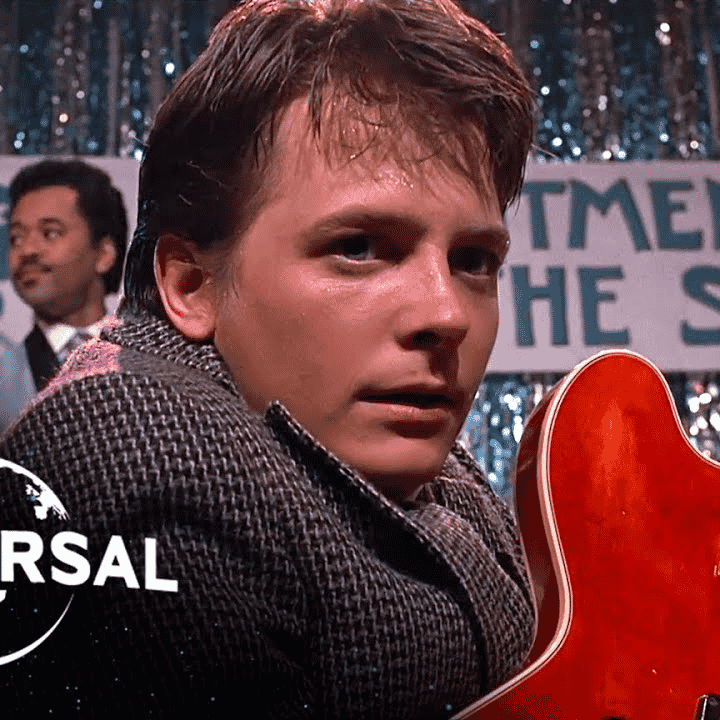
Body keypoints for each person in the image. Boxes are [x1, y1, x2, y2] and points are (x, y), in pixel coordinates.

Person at [0, 0, 537, 716]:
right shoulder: (132, 451)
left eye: (473, 260)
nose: (446, 314)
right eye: (358, 248)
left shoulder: (401, 456)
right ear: (191, 284)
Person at [5, 158, 128, 394]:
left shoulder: (154, 364)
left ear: (104, 254)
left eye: (50, 233)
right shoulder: (5, 378)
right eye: (16, 238)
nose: (27, 250)